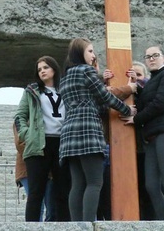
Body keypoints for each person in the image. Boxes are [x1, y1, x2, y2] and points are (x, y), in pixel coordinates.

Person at [58, 38, 135, 221]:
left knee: (78, 184)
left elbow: (90, 102)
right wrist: (127, 109)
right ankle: (89, 223)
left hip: (69, 133)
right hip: (88, 131)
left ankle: (77, 225)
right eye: (90, 51)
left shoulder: (65, 77)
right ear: (80, 53)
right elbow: (104, 97)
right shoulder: (86, 71)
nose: (93, 56)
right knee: (94, 182)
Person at [123, 45, 164, 220]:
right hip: (152, 136)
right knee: (151, 185)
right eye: (147, 56)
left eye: (155, 55)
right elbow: (148, 99)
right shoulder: (156, 78)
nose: (151, 59)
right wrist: (137, 87)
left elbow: (160, 103)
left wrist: (136, 119)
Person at [14, 56, 71, 222]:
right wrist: (27, 133)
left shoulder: (65, 88)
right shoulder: (31, 91)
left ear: (54, 69)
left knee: (63, 191)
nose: (42, 71)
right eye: (39, 69)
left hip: (62, 143)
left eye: (45, 67)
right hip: (39, 143)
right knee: (36, 193)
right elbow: (20, 116)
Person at [102, 61, 155, 220]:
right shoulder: (119, 91)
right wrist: (105, 83)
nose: (135, 78)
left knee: (145, 191)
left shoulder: (148, 92)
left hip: (142, 149)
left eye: (138, 75)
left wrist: (136, 88)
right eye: (132, 75)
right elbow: (104, 106)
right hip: (118, 150)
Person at [13, 122, 53, 221]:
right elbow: (20, 143)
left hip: (50, 169)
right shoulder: (21, 118)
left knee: (52, 207)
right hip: (28, 168)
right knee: (37, 204)